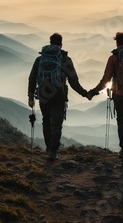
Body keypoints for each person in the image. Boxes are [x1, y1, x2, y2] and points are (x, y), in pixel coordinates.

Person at [28, 33, 88, 161]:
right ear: (61, 44)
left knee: (46, 121)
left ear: (50, 42)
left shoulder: (40, 59)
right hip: (59, 96)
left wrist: (30, 96)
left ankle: (48, 147)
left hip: (43, 96)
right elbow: (74, 81)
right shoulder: (65, 60)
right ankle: (53, 151)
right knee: (57, 125)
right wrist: (85, 94)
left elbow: (32, 78)